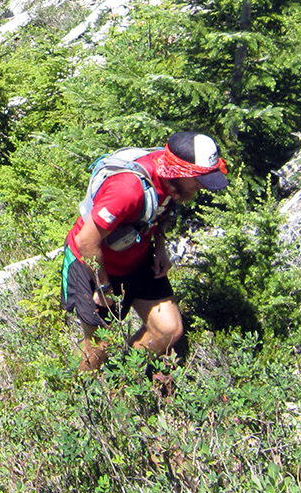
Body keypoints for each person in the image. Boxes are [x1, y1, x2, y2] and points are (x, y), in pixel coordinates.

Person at [61, 131, 228, 373]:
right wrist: (104, 287)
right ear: (179, 172)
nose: (202, 187)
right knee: (100, 345)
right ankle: (79, 396)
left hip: (138, 261)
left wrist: (160, 247)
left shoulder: (171, 177)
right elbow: (86, 241)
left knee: (168, 330)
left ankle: (123, 381)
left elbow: (161, 210)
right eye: (199, 180)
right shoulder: (127, 189)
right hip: (94, 267)